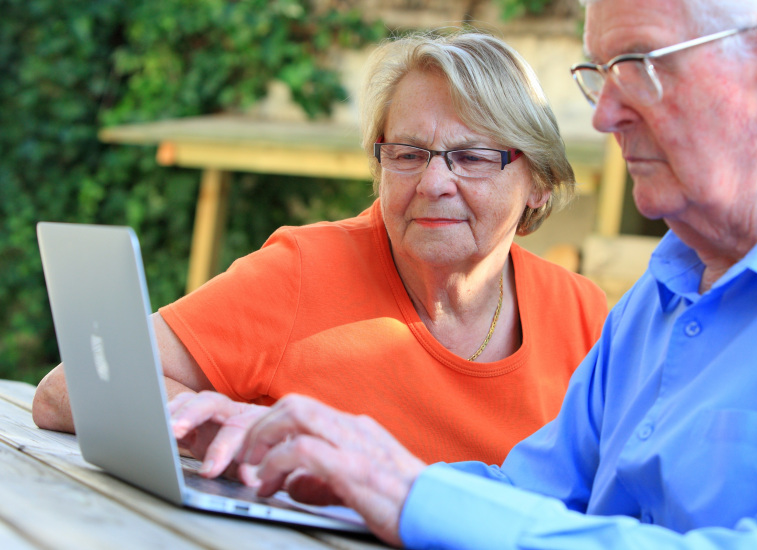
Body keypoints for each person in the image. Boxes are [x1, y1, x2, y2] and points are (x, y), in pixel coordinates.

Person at [168, 0, 757, 547]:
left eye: (639, 66)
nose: (604, 116)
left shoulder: (588, 308)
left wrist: (403, 487)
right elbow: (536, 493)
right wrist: (337, 464)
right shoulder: (652, 305)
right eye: (600, 75)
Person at [32, 31, 608, 467]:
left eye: (475, 156)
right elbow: (74, 387)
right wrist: (248, 434)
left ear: (539, 180)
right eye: (407, 153)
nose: (433, 183)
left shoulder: (585, 317)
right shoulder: (306, 270)